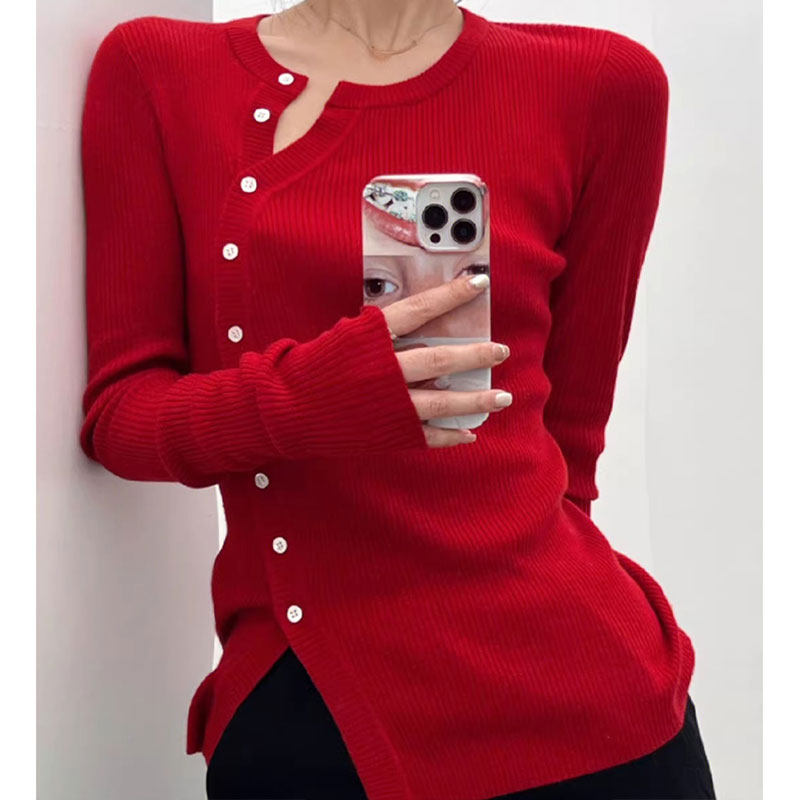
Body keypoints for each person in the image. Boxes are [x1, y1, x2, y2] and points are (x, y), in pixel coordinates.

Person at [78, 1, 718, 798]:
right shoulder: (159, 70)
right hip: (317, 714)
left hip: (598, 706)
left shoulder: (604, 85)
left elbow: (570, 447)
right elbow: (121, 416)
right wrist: (315, 397)